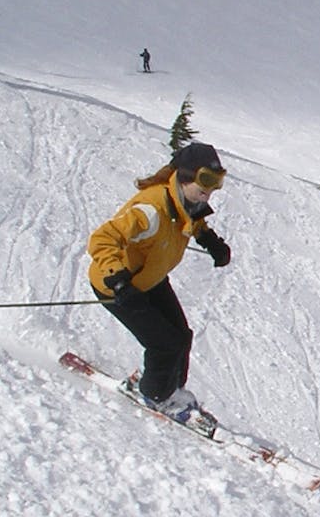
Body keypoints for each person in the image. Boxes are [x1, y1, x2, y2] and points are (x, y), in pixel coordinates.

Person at [87, 142, 233, 427]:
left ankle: (170, 390)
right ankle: (156, 395)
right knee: (164, 345)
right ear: (186, 175)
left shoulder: (187, 202)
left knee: (182, 335)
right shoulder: (151, 208)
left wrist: (211, 242)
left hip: (149, 279)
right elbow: (103, 238)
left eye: (217, 181)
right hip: (120, 286)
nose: (210, 189)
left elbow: (192, 221)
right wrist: (118, 281)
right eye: (206, 179)